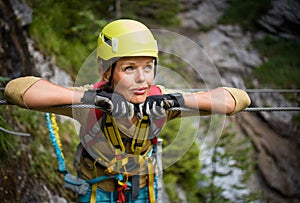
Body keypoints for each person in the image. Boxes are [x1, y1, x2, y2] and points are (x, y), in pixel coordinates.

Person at [4, 19, 251, 203]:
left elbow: (236, 99)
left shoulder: (159, 102)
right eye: (129, 68)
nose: (141, 79)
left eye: (147, 67)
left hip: (143, 188)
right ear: (107, 72)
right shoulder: (90, 103)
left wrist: (176, 99)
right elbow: (17, 89)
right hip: (97, 190)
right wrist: (89, 98)